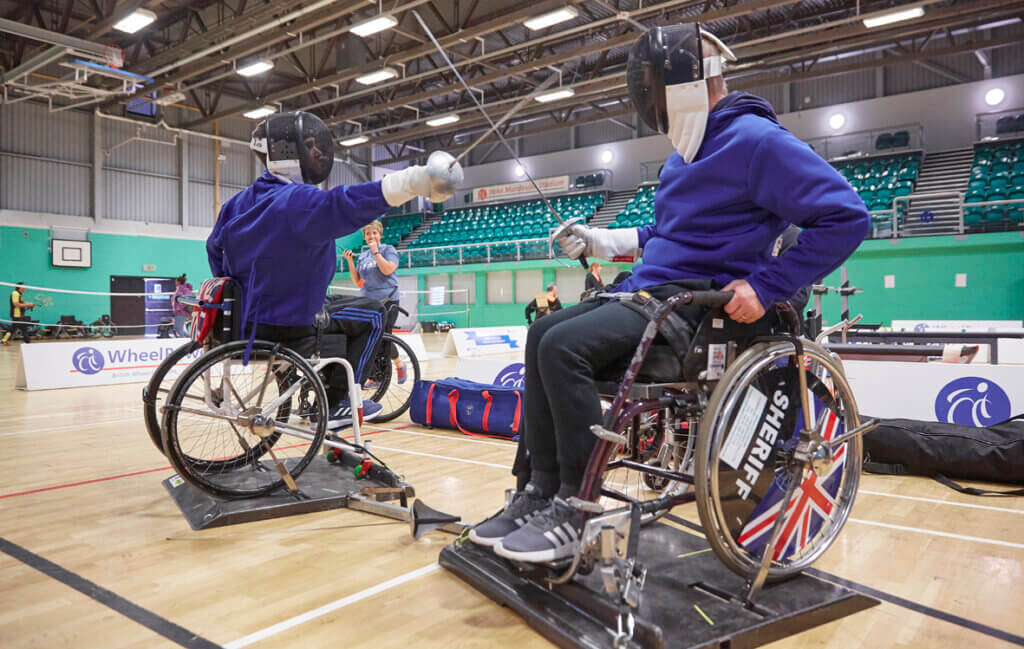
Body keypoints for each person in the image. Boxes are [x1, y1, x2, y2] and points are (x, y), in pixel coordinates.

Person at [469, 23, 869, 563]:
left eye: (655, 89)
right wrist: (599, 238)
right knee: (542, 330)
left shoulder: (757, 142)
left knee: (564, 347)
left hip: (694, 310)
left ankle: (578, 507)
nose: (650, 102)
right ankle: (538, 490)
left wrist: (766, 284)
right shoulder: (684, 155)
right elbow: (670, 236)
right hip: (650, 294)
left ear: (684, 86)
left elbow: (847, 218)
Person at [206, 110, 462, 429]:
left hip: (249, 319)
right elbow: (345, 203)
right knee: (373, 314)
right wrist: (413, 181)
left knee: (340, 308)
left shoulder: (239, 202)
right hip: (288, 322)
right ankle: (340, 400)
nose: (318, 152)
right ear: (288, 150)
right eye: (310, 145)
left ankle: (326, 386)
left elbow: (214, 251)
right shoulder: (296, 200)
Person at [343, 220, 407, 384]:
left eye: (374, 233)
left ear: (380, 234)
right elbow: (358, 282)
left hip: (388, 300)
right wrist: (350, 262)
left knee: (382, 336)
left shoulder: (388, 250)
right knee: (370, 337)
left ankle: (379, 375)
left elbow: (387, 269)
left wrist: (376, 252)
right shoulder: (363, 256)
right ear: (364, 236)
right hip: (368, 301)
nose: (371, 236)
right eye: (368, 233)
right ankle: (395, 365)